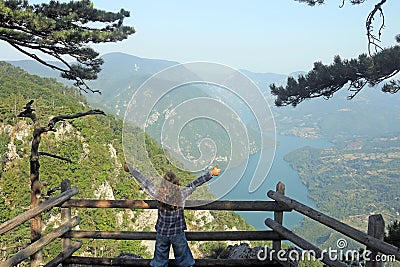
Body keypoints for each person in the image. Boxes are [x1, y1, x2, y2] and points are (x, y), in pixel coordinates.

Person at [124, 162, 221, 267]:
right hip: (177, 233)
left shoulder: (158, 195)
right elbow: (195, 184)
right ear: (177, 185)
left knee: (159, 262)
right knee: (185, 261)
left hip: (162, 233)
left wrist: (132, 170)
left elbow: (146, 183)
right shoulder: (182, 195)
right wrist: (211, 173)